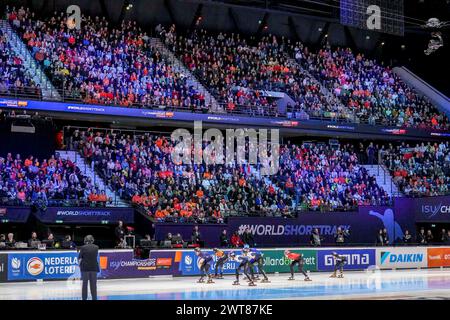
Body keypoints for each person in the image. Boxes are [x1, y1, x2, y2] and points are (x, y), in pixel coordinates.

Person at [78, 235, 99, 300]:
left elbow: (80, 259)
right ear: (92, 240)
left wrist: (79, 265)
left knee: (85, 285)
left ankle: (84, 298)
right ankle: (94, 298)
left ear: (86, 240)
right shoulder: (96, 247)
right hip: (94, 268)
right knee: (93, 285)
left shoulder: (83, 247)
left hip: (85, 268)